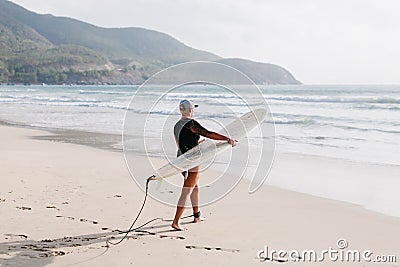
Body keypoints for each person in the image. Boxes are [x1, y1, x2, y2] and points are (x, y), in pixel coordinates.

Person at [172, 99, 237, 231]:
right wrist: (227, 139)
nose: (193, 111)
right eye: (193, 109)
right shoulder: (192, 123)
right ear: (190, 110)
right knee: (187, 191)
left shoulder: (176, 125)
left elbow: (180, 144)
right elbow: (209, 133)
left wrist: (197, 143)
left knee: (195, 187)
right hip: (192, 161)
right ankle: (176, 221)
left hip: (181, 159)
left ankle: (197, 216)